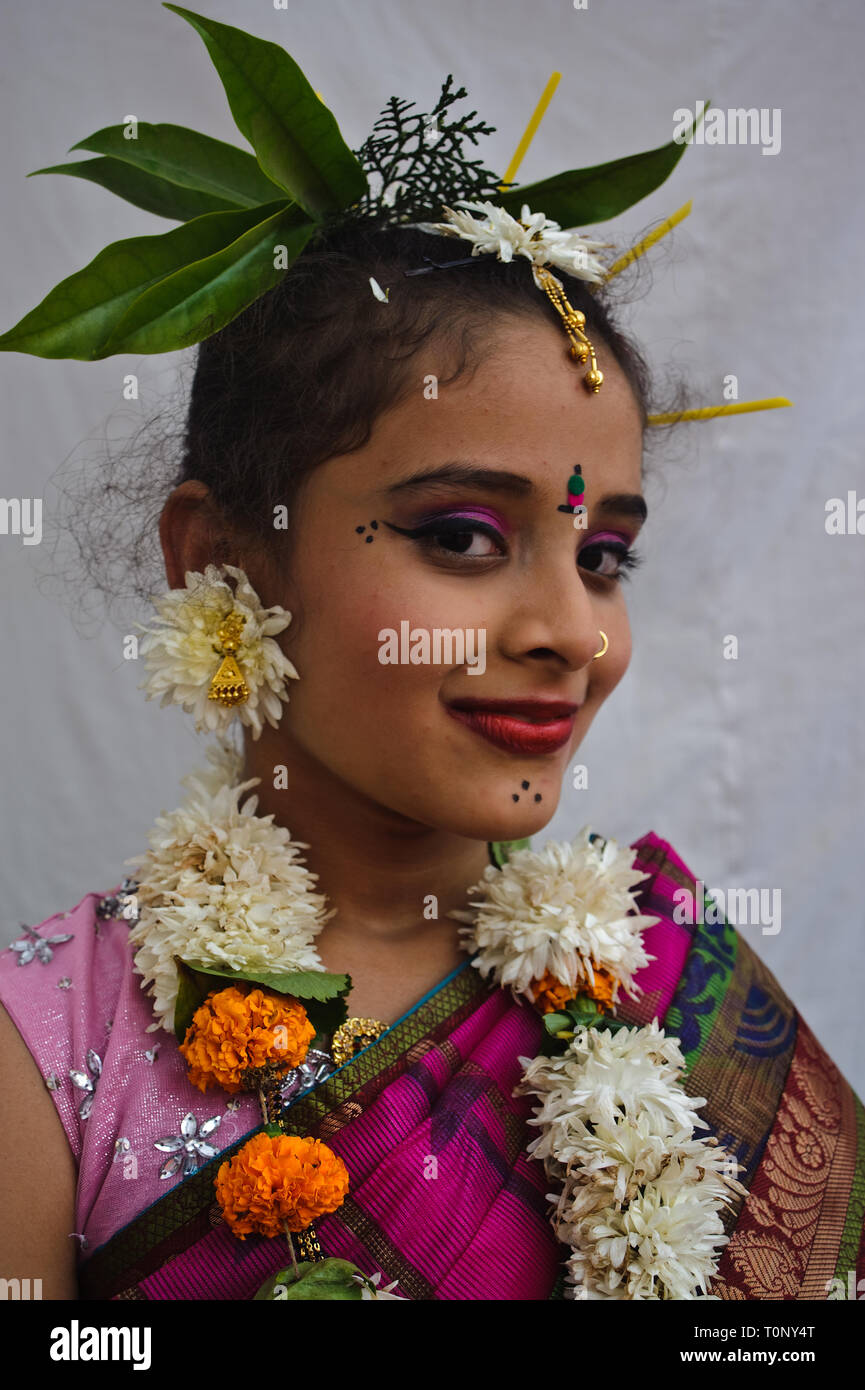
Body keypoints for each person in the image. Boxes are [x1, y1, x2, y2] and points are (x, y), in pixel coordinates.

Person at [0, 8, 860, 1302]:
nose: (570, 630)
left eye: (603, 553)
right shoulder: (50, 1048)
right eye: (461, 534)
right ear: (222, 560)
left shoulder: (678, 987)